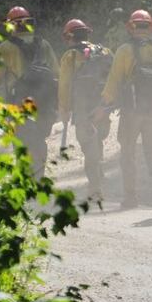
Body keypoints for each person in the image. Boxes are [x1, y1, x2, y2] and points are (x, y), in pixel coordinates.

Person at [98, 9, 152, 209]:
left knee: (127, 152)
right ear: (150, 27)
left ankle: (131, 197)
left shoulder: (125, 50)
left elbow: (113, 82)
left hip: (132, 112)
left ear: (131, 27)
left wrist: (103, 106)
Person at [0, 6, 59, 179]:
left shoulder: (6, 47)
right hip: (45, 102)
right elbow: (56, 73)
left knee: (22, 142)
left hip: (21, 104)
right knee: (39, 140)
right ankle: (38, 179)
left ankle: (28, 184)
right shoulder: (43, 43)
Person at [58, 18, 114, 201]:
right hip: (103, 107)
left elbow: (65, 85)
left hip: (83, 109)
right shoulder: (104, 51)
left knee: (89, 146)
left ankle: (95, 187)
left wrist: (64, 109)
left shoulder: (70, 56)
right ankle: (101, 176)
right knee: (98, 138)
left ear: (69, 37)